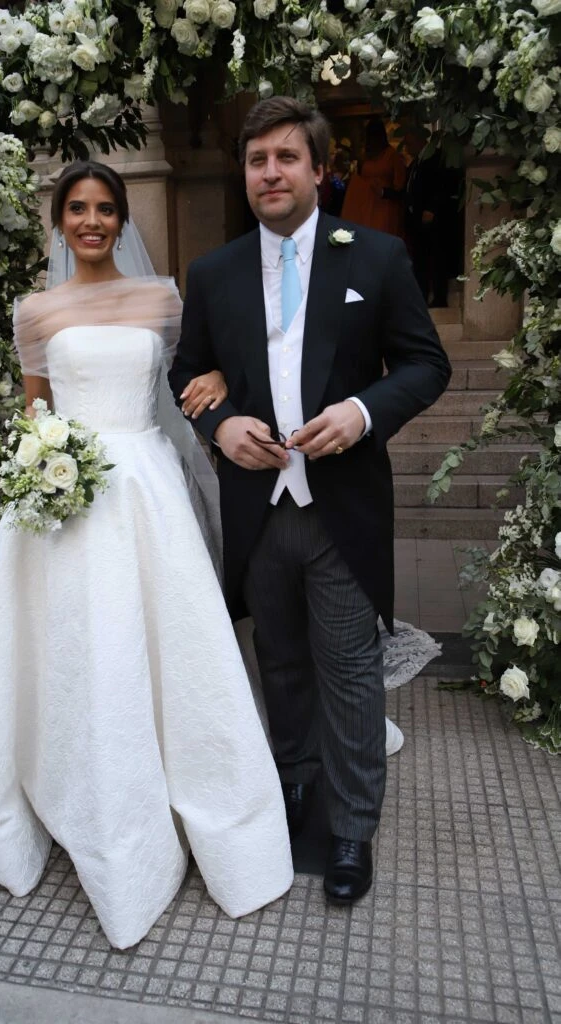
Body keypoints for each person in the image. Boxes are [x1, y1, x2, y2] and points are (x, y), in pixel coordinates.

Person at [0, 160, 293, 950]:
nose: (90, 221)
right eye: (76, 209)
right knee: (66, 641)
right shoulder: (35, 311)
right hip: (62, 494)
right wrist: (40, 470)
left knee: (157, 638)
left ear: (121, 220)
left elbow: (198, 367)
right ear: (59, 221)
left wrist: (220, 374)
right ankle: (63, 773)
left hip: (147, 491)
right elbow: (35, 412)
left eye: (104, 209)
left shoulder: (162, 300)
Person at [169, 97, 451, 905]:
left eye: (286, 158)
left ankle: (353, 828)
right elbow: (184, 373)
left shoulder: (376, 257)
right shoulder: (215, 272)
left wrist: (362, 412)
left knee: (350, 673)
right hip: (255, 507)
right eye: (257, 159)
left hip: (341, 508)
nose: (270, 172)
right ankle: (295, 789)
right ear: (244, 172)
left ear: (319, 171)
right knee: (280, 664)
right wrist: (219, 427)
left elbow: (424, 365)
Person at [404, 129, 460, 308]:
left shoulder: (434, 158)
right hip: (416, 219)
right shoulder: (415, 163)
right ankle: (421, 295)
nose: (406, 147)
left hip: (433, 218)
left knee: (436, 257)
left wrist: (432, 208)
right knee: (420, 259)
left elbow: (442, 185)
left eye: (409, 142)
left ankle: (439, 297)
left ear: (419, 141)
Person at [341, 117, 406, 237]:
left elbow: (401, 188)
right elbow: (359, 178)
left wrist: (383, 192)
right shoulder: (366, 156)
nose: (371, 140)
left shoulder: (392, 156)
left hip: (384, 207)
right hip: (364, 207)